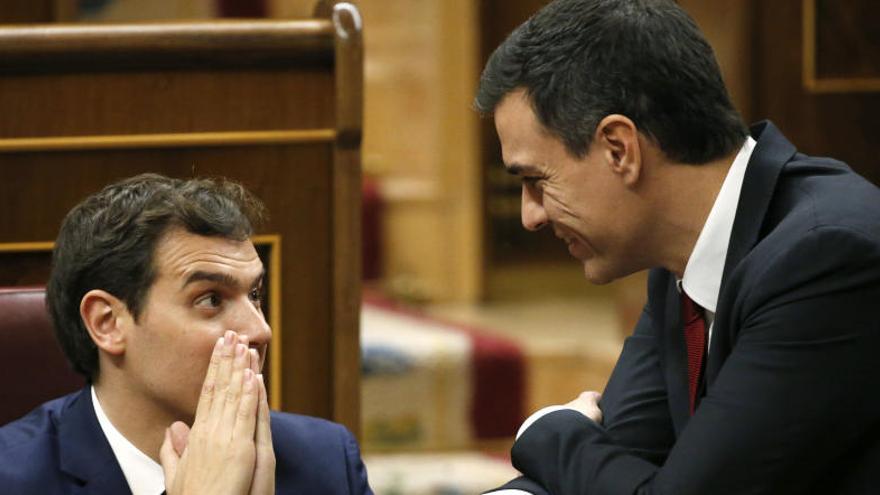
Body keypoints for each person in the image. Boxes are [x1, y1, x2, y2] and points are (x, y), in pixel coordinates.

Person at [475, 0, 880, 493]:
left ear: (618, 149)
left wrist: (547, 433)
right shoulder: (681, 260)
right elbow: (607, 471)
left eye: (537, 180)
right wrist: (561, 447)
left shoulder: (826, 257)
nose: (530, 215)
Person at [0, 174, 373, 494]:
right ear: (107, 323)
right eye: (211, 299)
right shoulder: (12, 479)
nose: (260, 330)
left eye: (255, 295)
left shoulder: (325, 463)